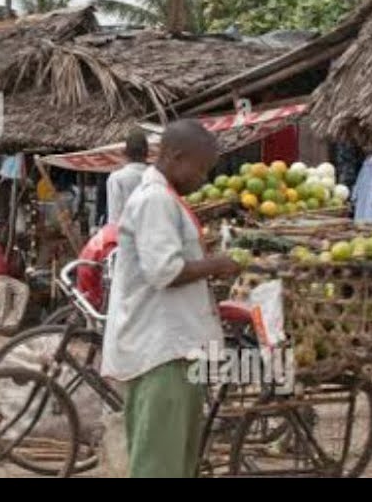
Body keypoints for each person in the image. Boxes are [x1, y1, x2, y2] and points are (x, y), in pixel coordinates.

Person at [101, 119, 239, 478]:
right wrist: (216, 265)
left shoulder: (164, 199)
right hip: (162, 353)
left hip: (175, 348)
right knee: (159, 467)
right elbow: (166, 271)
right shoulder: (155, 201)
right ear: (177, 157)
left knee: (175, 464)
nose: (203, 179)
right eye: (201, 168)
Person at [106, 130, 150, 225]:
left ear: (125, 153)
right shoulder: (158, 177)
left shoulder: (116, 178)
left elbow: (114, 217)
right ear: (147, 153)